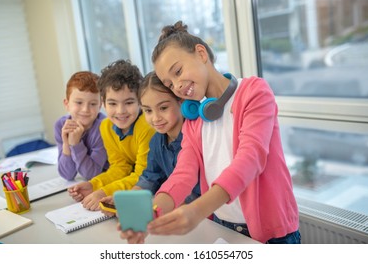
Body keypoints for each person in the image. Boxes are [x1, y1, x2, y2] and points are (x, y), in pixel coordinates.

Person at [120, 21, 301, 244]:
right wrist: (154, 213)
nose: (176, 86)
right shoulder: (195, 118)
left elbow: (250, 159)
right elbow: (183, 173)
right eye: (169, 84)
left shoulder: (254, 92)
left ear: (201, 53)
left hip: (273, 234)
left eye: (178, 72)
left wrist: (196, 211)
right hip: (224, 228)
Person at [99, 72, 200, 216]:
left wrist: (157, 207)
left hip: (204, 215)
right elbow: (150, 177)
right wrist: (127, 198)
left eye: (163, 108)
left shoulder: (196, 136)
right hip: (177, 212)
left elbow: (197, 189)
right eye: (148, 110)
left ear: (181, 101)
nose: (155, 118)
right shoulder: (157, 141)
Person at [68, 59, 156, 211]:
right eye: (113, 103)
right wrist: (93, 185)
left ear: (140, 101)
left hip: (154, 188)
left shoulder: (147, 127)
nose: (120, 111)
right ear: (103, 103)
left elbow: (142, 176)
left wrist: (104, 192)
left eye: (128, 102)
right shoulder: (106, 126)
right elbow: (120, 167)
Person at [54, 71, 108, 181]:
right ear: (67, 104)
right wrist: (66, 144)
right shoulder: (60, 125)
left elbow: (92, 174)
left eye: (93, 104)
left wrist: (75, 144)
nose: (85, 110)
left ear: (100, 105)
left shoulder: (103, 128)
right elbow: (67, 175)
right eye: (79, 103)